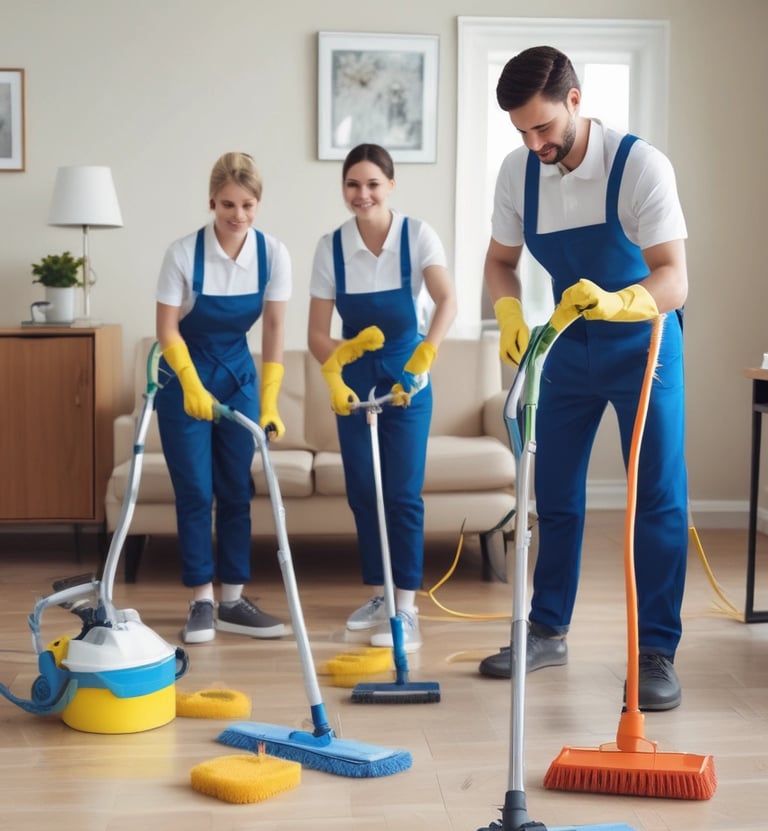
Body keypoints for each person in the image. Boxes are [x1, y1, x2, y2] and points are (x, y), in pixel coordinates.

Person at [480, 46, 688, 711]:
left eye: (542, 127)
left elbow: (674, 278)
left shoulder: (639, 166)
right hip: (566, 342)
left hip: (643, 343)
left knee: (654, 499)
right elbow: (499, 262)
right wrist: (509, 309)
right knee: (556, 494)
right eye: (520, 130)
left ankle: (654, 651)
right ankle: (547, 629)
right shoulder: (519, 173)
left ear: (575, 100)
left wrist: (621, 302)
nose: (533, 142)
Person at [308, 143, 457, 652]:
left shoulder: (417, 236)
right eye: (353, 184)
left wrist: (425, 357)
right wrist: (338, 365)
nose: (362, 194)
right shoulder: (330, 247)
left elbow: (447, 300)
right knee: (363, 492)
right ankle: (379, 596)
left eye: (373, 184)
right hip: (354, 381)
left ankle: (407, 608)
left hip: (407, 378)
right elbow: (315, 334)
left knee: (401, 494)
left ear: (390, 185)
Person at [155, 151, 292, 644]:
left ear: (258, 204)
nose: (238, 215)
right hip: (184, 379)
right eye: (228, 204)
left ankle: (232, 600)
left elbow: (275, 328)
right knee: (195, 491)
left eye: (248, 205)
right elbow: (167, 327)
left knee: (237, 490)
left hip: (239, 378)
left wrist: (271, 400)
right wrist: (191, 385)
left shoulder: (273, 254)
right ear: (212, 201)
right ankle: (201, 601)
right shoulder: (182, 253)